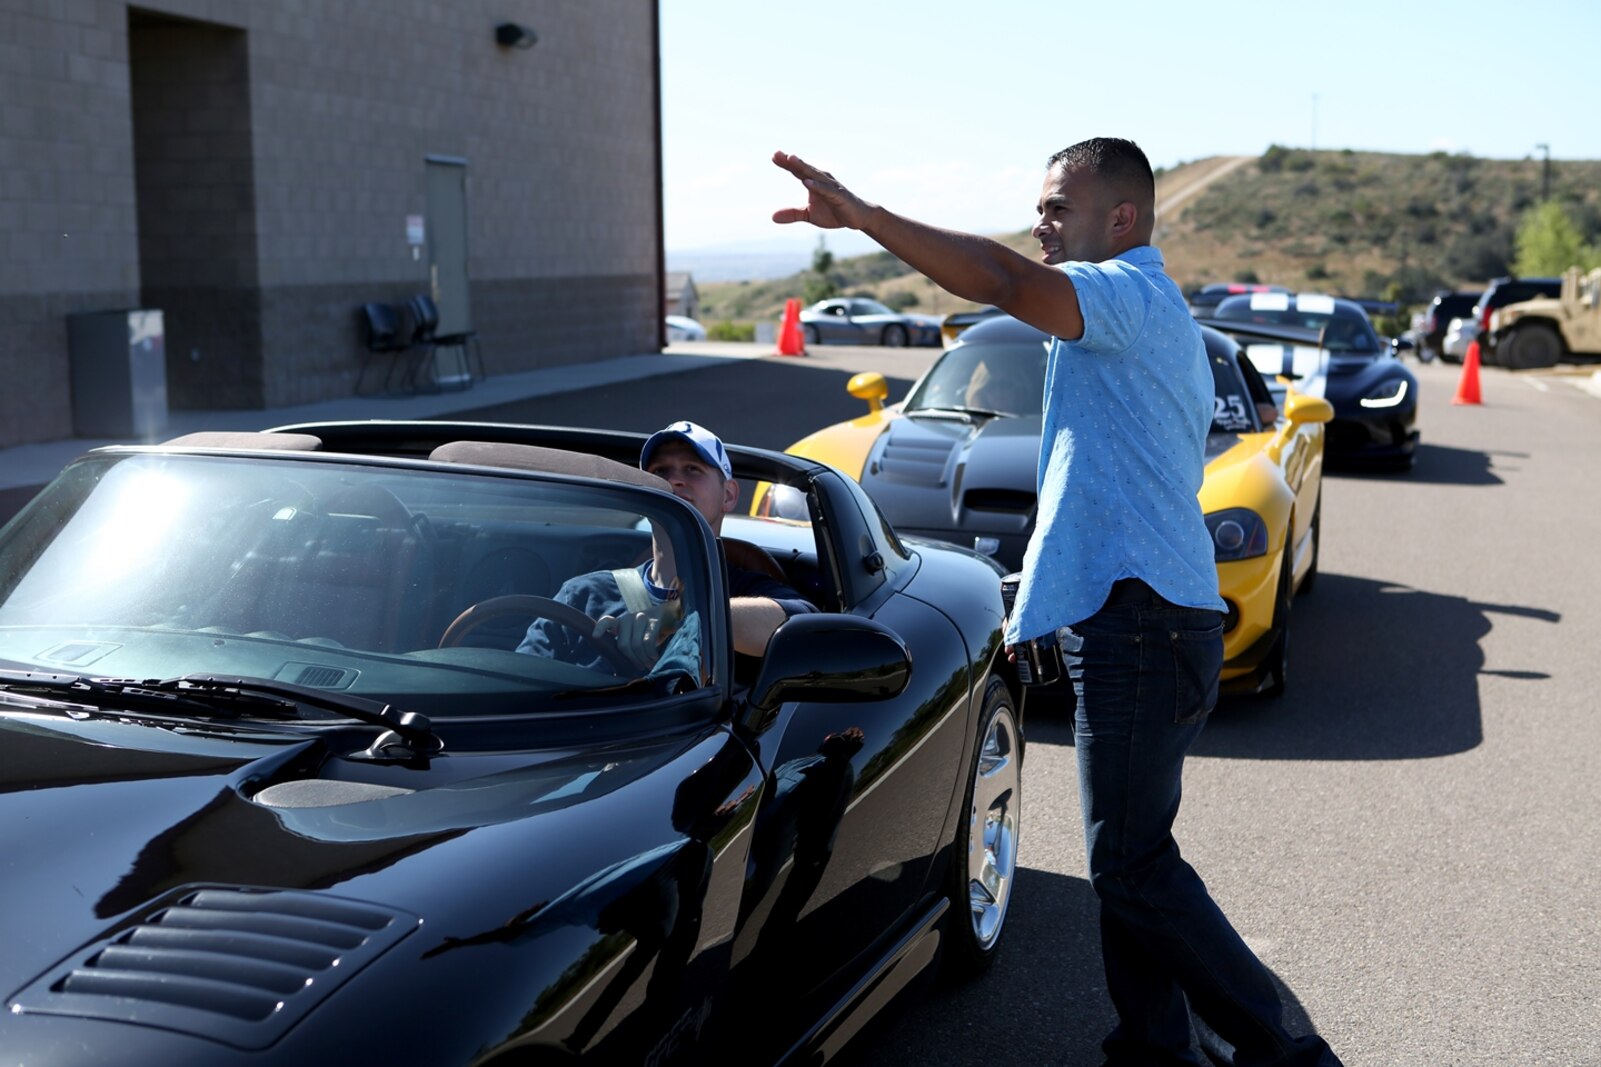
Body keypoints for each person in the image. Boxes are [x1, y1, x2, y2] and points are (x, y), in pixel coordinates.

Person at [773, 140, 1342, 1066]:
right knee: (1133, 854)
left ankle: (1287, 1055)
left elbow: (996, 276)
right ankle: (1154, 1046)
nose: (1038, 224)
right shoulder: (1142, 312)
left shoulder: (1122, 294)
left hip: (1142, 623)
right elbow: (1094, 477)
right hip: (1144, 617)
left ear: (1119, 219)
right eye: (1038, 209)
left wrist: (868, 218)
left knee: (1129, 864)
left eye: (1055, 208)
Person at [517, 420, 816, 674]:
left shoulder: (750, 591)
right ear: (643, 494)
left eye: (692, 469)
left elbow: (804, 625)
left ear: (728, 495)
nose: (674, 481)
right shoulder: (583, 594)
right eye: (660, 472)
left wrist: (684, 616)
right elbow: (519, 684)